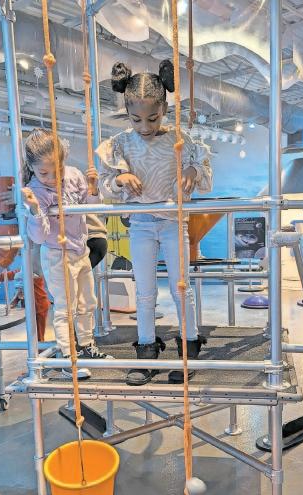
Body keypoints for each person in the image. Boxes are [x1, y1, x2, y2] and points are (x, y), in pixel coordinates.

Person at [97, 60, 213, 386]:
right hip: (141, 224)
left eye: (153, 117)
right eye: (136, 119)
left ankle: (189, 351)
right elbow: (104, 185)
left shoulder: (180, 140)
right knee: (145, 292)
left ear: (164, 109)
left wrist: (193, 170)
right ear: (127, 112)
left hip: (174, 223)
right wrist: (120, 179)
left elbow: (204, 172)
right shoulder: (120, 144)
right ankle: (146, 352)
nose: (145, 126)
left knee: (181, 289)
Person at [22, 128, 111, 379]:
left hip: (80, 249)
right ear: (32, 167)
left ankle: (86, 347)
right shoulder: (35, 191)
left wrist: (93, 190)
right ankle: (67, 356)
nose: (52, 178)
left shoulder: (73, 175)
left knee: (87, 301)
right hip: (56, 255)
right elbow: (38, 237)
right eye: (44, 173)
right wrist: (34, 209)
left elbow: (90, 209)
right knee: (65, 307)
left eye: (57, 170)